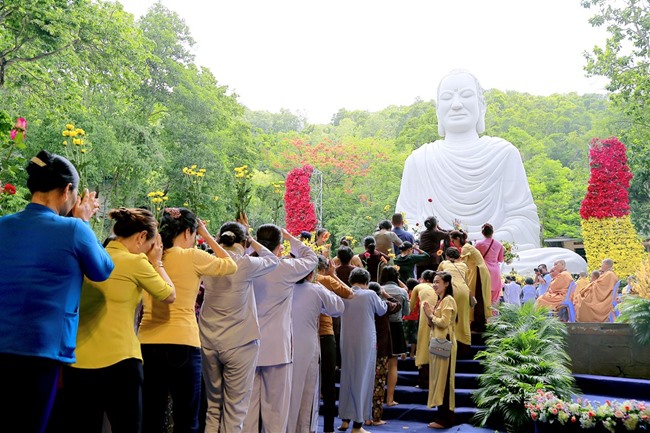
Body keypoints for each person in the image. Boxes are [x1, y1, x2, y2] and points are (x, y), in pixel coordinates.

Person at [395, 69, 587, 275]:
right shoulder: (419, 159)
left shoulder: (503, 153)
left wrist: (481, 243)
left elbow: (524, 220)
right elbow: (407, 223)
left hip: (491, 252)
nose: (456, 104)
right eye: (447, 97)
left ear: (481, 105)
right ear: (438, 110)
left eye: (466, 95)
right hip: (440, 256)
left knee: (572, 260)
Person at [0, 150, 114, 433]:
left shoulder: (3, 225)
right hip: (43, 348)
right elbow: (103, 269)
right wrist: (83, 221)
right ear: (66, 190)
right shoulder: (74, 229)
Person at [62, 208, 176, 433]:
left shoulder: (90, 257)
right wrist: (157, 262)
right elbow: (169, 294)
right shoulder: (135, 262)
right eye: (150, 244)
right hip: (120, 361)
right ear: (141, 237)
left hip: (78, 361)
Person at [139, 209, 238, 433]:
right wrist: (207, 235)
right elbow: (230, 264)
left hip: (147, 342)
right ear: (187, 232)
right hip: (183, 342)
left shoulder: (149, 257)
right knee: (187, 419)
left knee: (151, 417)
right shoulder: (193, 256)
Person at [200, 222, 279, 433]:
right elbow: (273, 260)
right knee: (235, 409)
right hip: (240, 343)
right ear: (243, 242)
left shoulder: (208, 261)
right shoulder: (245, 263)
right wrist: (253, 241)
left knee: (213, 407)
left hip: (208, 340)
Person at [243, 225, 318, 433]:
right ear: (279, 247)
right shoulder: (285, 268)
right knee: (276, 414)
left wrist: (249, 242)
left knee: (246, 413)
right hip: (277, 349)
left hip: (247, 345)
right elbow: (312, 258)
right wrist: (291, 237)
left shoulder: (245, 265)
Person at [287, 267, 344, 433]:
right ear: (311, 274)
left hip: (286, 345)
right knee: (307, 392)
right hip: (307, 346)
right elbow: (338, 307)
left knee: (285, 394)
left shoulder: (284, 287)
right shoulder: (316, 289)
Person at [338, 268, 388, 433]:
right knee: (363, 379)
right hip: (365, 341)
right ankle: (358, 424)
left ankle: (345, 420)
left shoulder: (345, 293)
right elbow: (382, 310)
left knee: (347, 377)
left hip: (346, 341)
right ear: (367, 281)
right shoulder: (370, 294)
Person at [315, 256, 353, 433]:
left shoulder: (299, 280)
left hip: (304, 334)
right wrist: (332, 275)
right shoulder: (326, 280)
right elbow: (349, 293)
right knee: (328, 384)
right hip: (325, 334)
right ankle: (328, 428)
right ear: (325, 267)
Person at [422, 272, 458, 429]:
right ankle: (441, 416)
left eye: (438, 282)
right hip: (438, 342)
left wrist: (431, 315)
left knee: (444, 379)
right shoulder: (440, 300)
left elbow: (444, 323)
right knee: (438, 378)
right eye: (434, 282)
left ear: (446, 284)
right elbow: (434, 323)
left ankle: (445, 419)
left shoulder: (448, 300)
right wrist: (428, 315)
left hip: (444, 342)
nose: (434, 284)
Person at [367, 282, 400, 427]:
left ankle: (365, 416)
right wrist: (387, 295)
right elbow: (398, 305)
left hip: (366, 348)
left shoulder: (365, 306)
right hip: (381, 349)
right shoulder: (383, 305)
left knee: (366, 383)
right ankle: (376, 417)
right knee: (379, 384)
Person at [379, 266, 410, 407]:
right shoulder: (402, 292)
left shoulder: (378, 289)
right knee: (393, 364)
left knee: (378, 363)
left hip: (381, 327)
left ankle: (376, 397)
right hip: (396, 326)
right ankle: (390, 399)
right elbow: (406, 312)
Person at [450, 230, 491, 329]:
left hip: (478, 272)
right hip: (477, 271)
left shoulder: (465, 248)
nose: (453, 243)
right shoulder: (467, 247)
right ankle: (477, 322)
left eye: (453, 241)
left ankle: (479, 322)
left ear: (457, 239)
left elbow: (462, 264)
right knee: (476, 296)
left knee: (478, 296)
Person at [437, 247, 471, 356]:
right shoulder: (464, 265)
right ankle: (463, 347)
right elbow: (467, 281)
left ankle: (448, 346)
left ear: (447, 256)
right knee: (463, 318)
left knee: (448, 317)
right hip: (464, 291)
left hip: (451, 290)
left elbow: (438, 278)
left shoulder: (443, 263)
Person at [410, 270, 438, 390]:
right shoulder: (440, 288)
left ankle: (424, 382)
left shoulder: (419, 287)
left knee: (423, 348)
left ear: (424, 279)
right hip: (440, 317)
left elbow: (410, 308)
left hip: (425, 319)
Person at [475, 223, 504, 309]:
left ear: (482, 233)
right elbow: (500, 259)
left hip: (483, 269)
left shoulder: (479, 244)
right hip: (495, 271)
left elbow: (474, 258)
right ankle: (493, 313)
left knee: (482, 293)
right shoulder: (499, 245)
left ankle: (483, 312)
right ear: (492, 232)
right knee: (494, 295)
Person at [403, 278, 420, 359]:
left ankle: (404, 354)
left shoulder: (406, 294)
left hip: (406, 317)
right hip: (415, 318)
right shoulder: (418, 295)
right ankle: (412, 354)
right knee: (414, 337)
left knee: (405, 336)